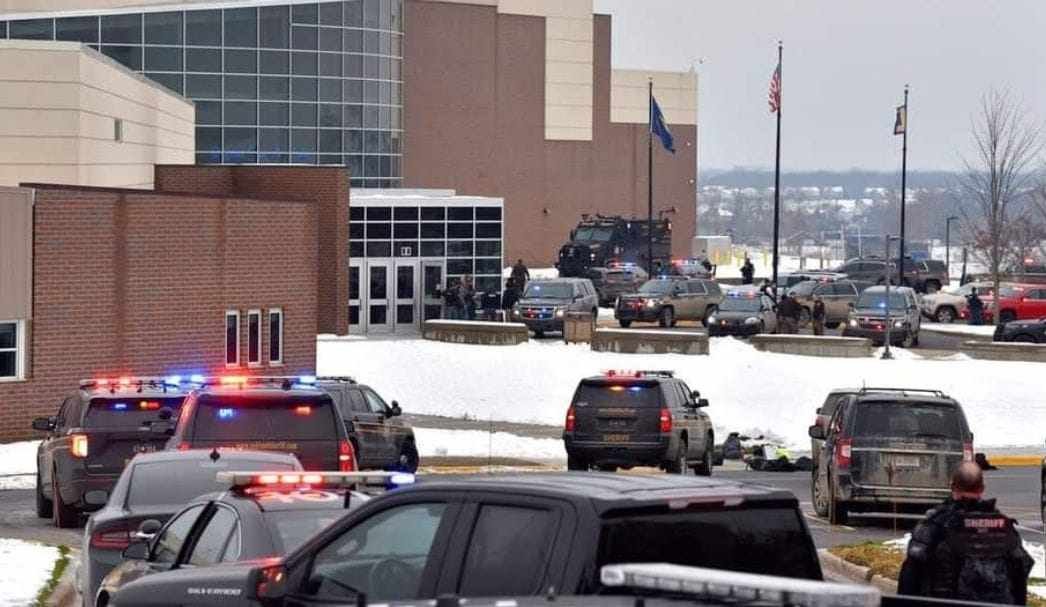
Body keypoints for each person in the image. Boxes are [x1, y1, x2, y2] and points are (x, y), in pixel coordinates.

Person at [897, 462, 1032, 604]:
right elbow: (1020, 577)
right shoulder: (1003, 527)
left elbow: (910, 577)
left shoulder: (936, 524)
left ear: (952, 486)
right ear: (982, 489)